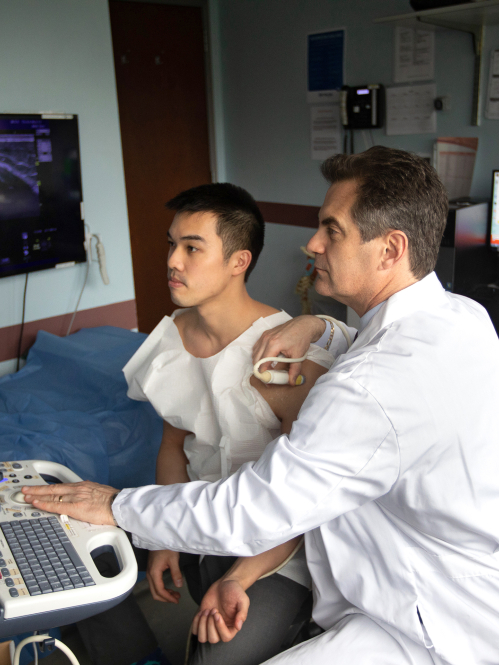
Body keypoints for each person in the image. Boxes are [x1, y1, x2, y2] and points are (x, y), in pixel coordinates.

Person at [24, 147, 499, 665]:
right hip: (425, 585)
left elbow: (256, 510)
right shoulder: (462, 317)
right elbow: (368, 352)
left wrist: (117, 505)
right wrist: (319, 323)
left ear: (390, 250)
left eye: (331, 230)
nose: (311, 243)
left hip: (425, 621)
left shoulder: (315, 373)